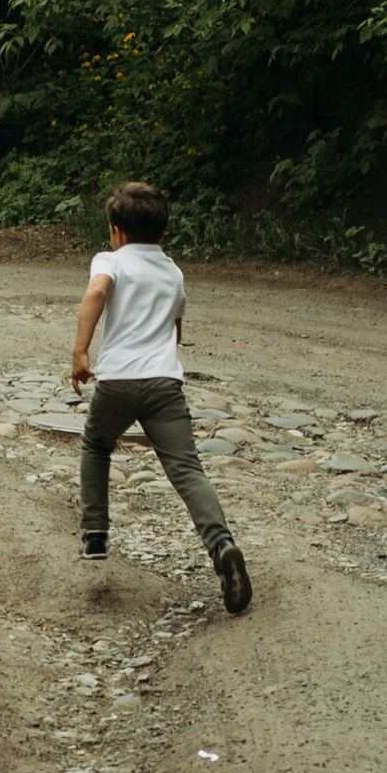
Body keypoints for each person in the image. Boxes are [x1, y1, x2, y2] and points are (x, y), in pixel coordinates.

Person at [70, 179, 252, 614]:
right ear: (163, 234)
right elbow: (176, 325)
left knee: (96, 445)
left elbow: (97, 291)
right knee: (187, 468)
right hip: (165, 384)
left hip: (117, 383)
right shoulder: (172, 270)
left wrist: (80, 350)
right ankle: (222, 544)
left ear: (116, 230)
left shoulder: (110, 261)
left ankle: (95, 536)